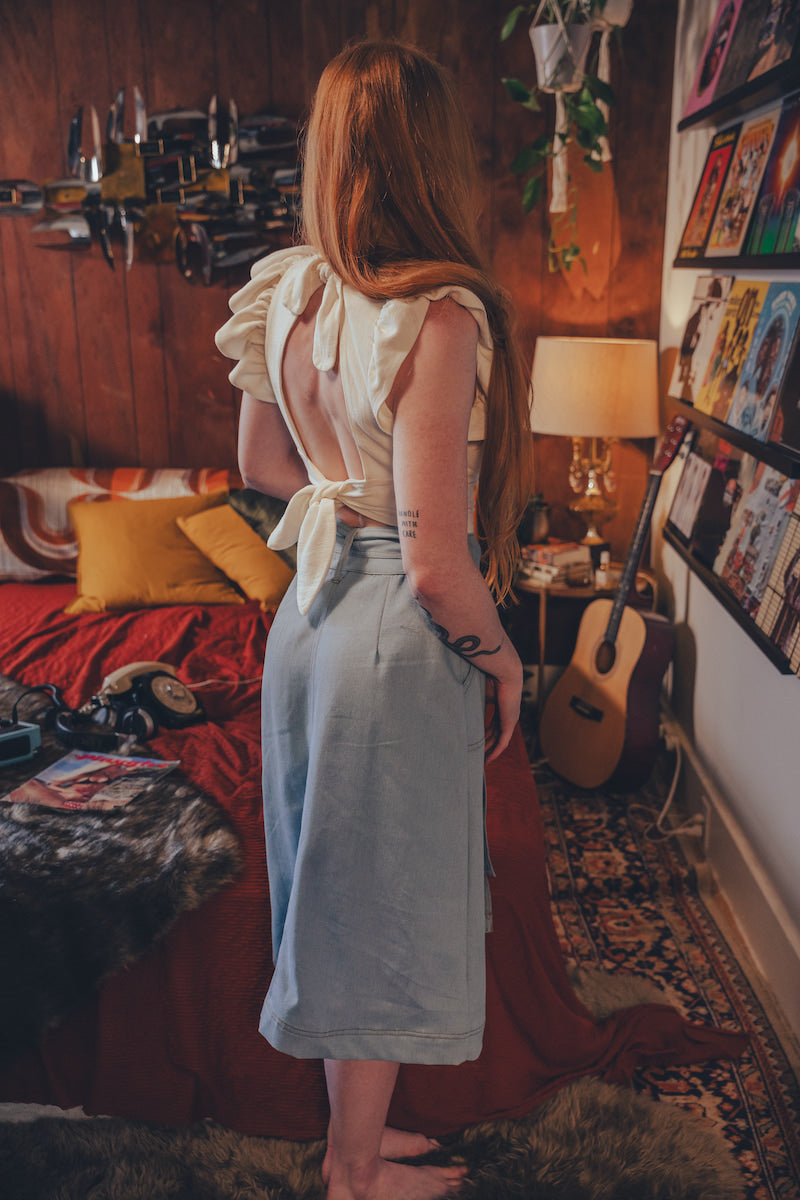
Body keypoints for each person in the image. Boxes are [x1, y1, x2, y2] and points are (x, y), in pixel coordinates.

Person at [215, 39, 533, 1200]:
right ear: (431, 157)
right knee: (383, 897)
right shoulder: (438, 315)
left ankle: (354, 1136)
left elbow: (258, 462)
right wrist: (504, 664)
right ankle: (352, 1172)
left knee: (335, 883)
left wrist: (329, 477)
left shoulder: (289, 290)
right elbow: (441, 563)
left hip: (307, 622)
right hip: (395, 625)